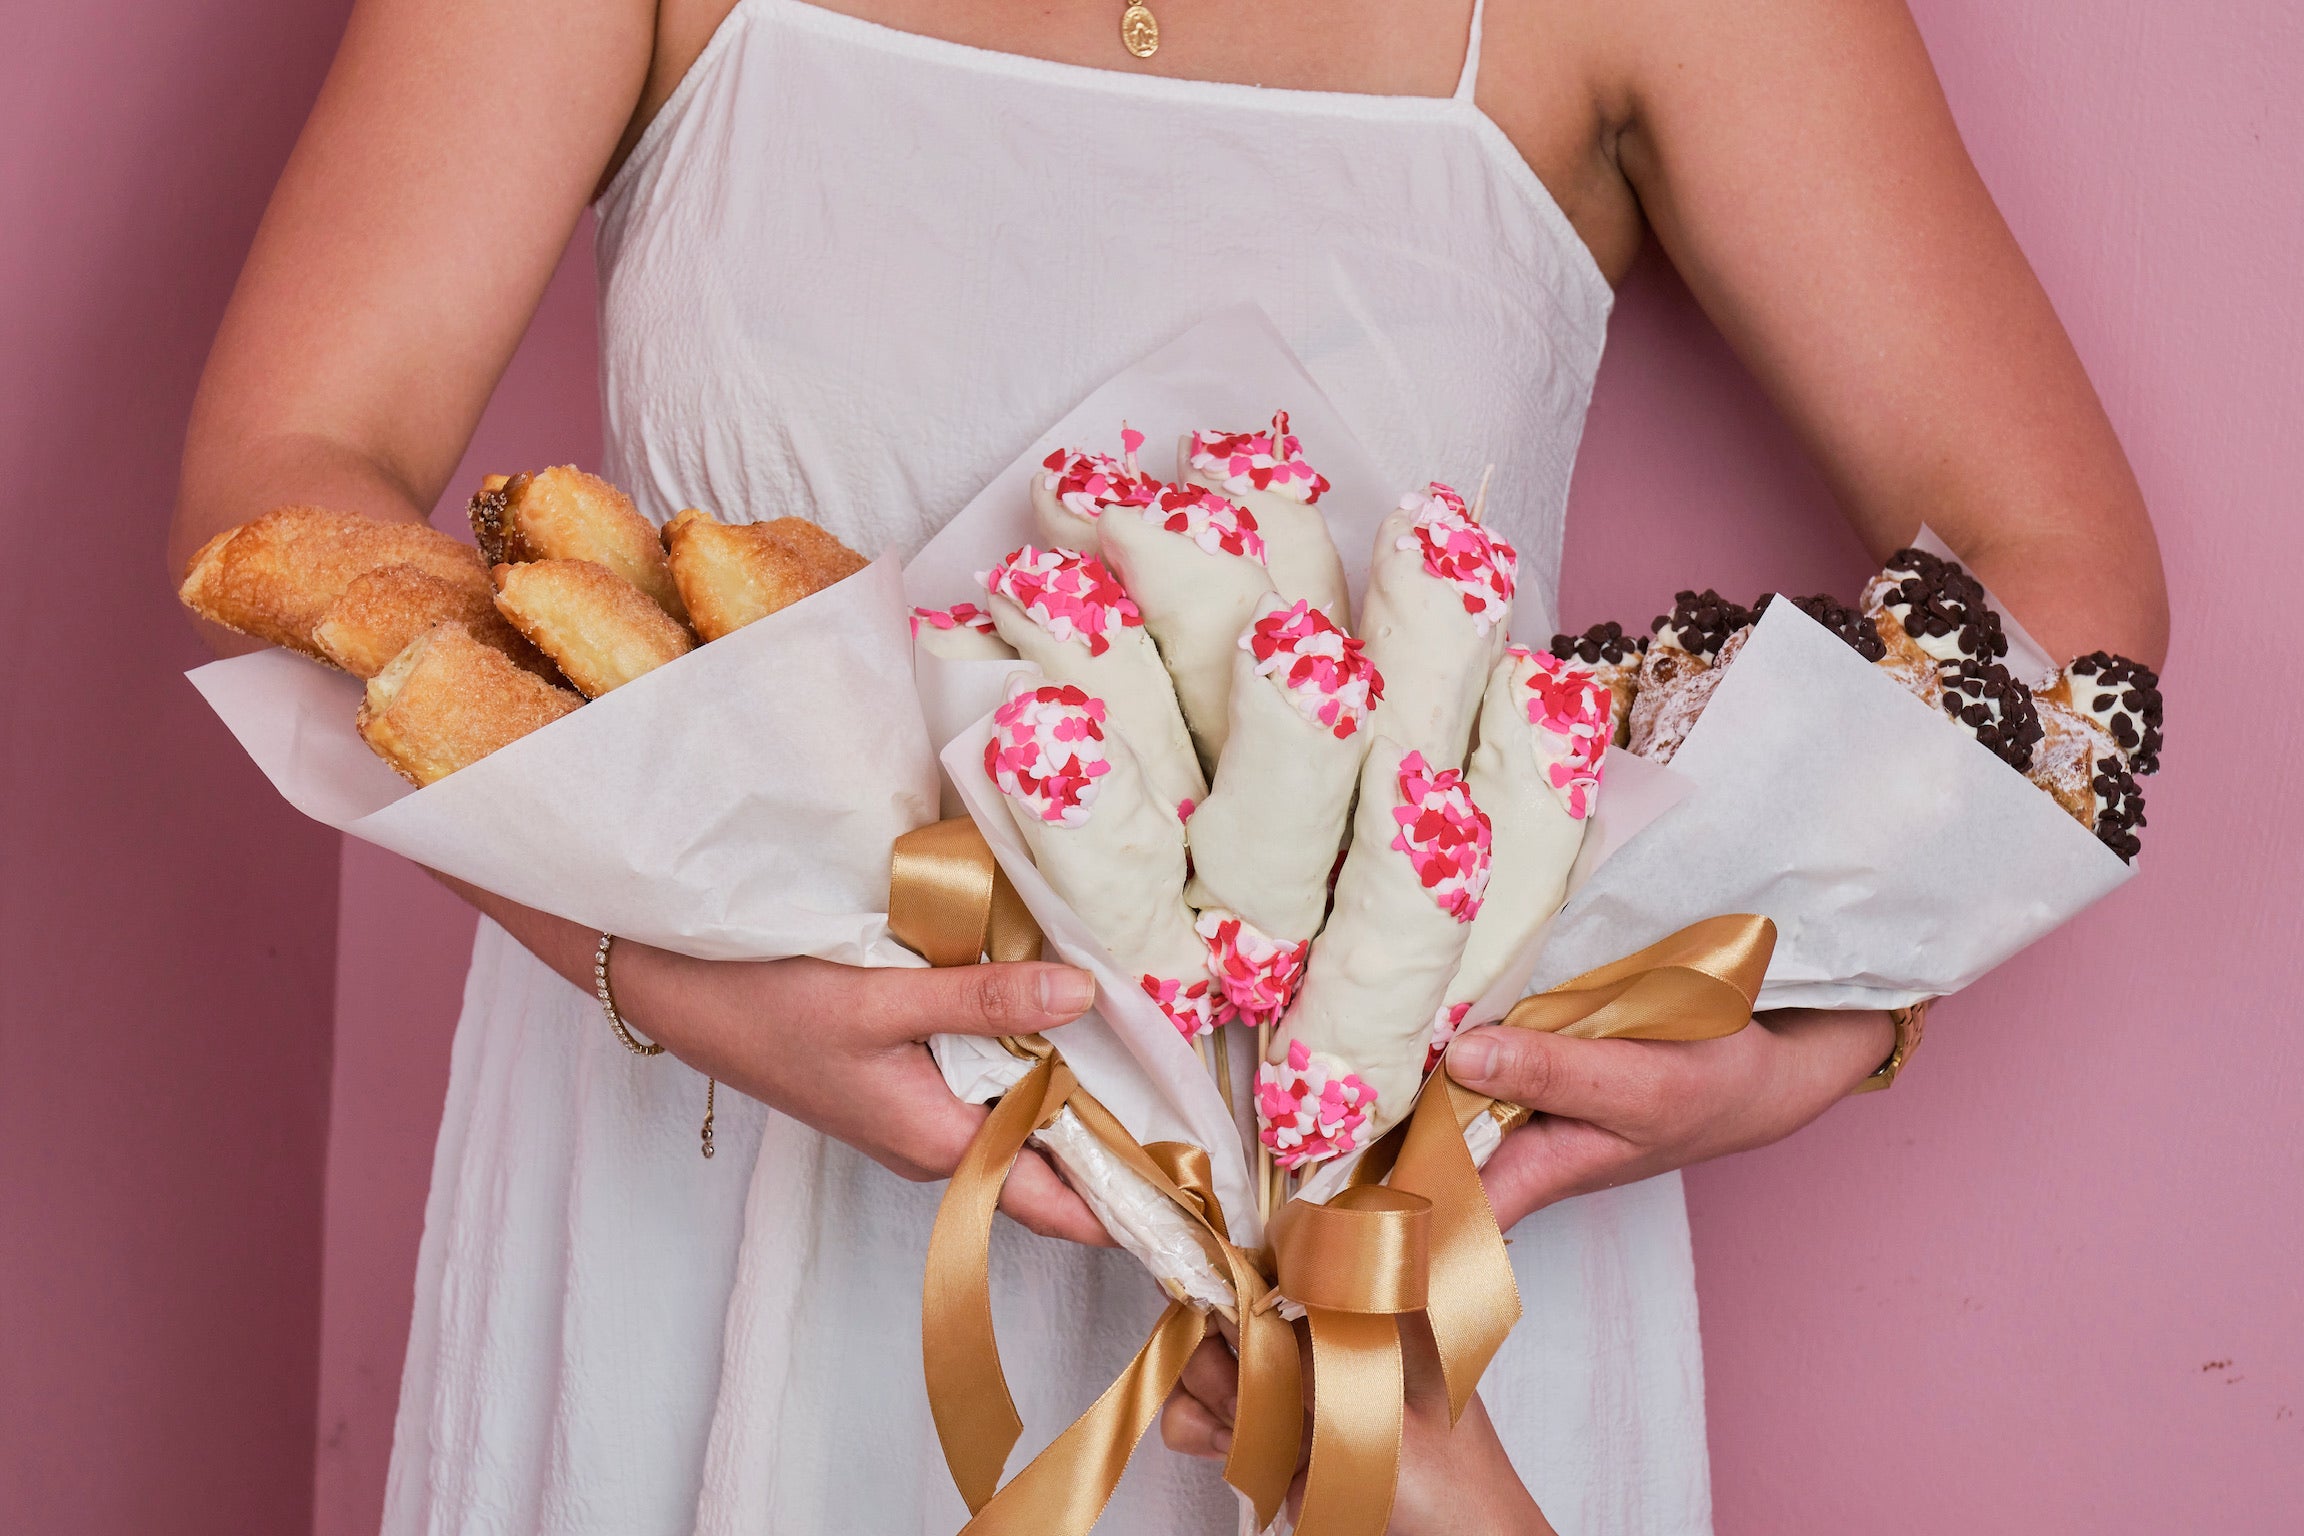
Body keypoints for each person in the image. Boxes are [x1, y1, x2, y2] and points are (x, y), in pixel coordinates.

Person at [171, 0, 2168, 1531]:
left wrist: (1813, 1032)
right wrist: (666, 976)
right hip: (718, 1141)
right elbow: (288, 483)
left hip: (1382, 1221)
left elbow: (2053, 574)